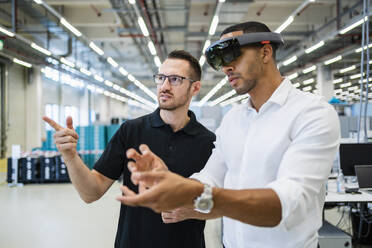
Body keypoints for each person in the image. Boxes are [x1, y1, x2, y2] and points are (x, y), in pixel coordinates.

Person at [117, 21, 341, 248]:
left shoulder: (312, 113)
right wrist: (175, 186)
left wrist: (196, 192)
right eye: (220, 60)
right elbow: (211, 177)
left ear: (265, 52)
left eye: (233, 54)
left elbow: (289, 202)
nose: (226, 67)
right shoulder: (234, 119)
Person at [43, 50, 216, 248]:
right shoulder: (131, 131)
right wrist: (71, 156)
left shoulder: (209, 143)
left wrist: (190, 209)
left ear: (195, 88)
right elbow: (91, 192)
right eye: (161, 78)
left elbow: (220, 203)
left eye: (175, 79)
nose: (165, 86)